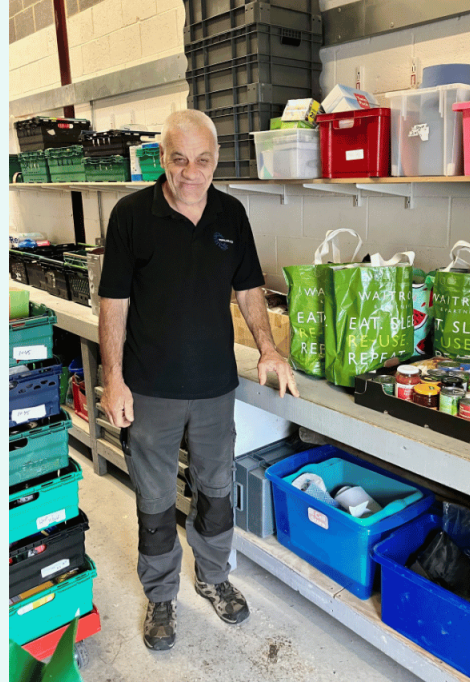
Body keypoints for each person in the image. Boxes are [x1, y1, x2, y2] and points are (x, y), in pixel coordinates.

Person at [97, 109, 298, 651]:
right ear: (162, 159)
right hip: (150, 389)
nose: (191, 172)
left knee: (214, 492)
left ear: (216, 161)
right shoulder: (131, 215)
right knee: (156, 499)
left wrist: (269, 349)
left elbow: (250, 287)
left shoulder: (231, 215)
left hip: (213, 388)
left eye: (203, 160)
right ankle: (162, 594)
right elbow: (113, 301)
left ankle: (212, 577)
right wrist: (112, 379)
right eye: (179, 159)